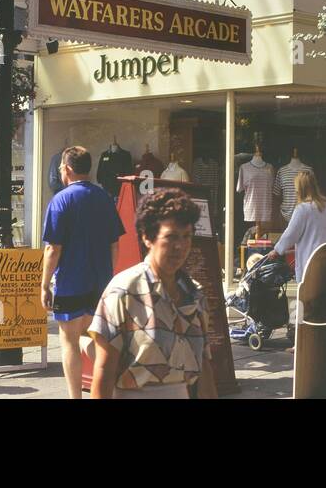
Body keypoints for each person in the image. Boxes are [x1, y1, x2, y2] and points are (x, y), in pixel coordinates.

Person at [89, 188, 216, 399]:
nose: (180, 246)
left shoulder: (194, 295)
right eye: (171, 237)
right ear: (147, 237)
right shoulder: (124, 291)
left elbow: (204, 369)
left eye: (187, 237)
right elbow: (103, 371)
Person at [41, 146, 124, 399]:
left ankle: (75, 397)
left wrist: (44, 284)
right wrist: (109, 278)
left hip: (70, 280)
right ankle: (119, 379)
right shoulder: (104, 197)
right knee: (92, 336)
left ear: (66, 169)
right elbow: (115, 243)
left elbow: (53, 249)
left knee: (69, 340)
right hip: (100, 281)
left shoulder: (61, 200)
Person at [273, 170, 326, 284]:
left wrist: (277, 250)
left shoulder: (302, 209)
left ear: (300, 189)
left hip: (310, 263)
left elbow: (290, 234)